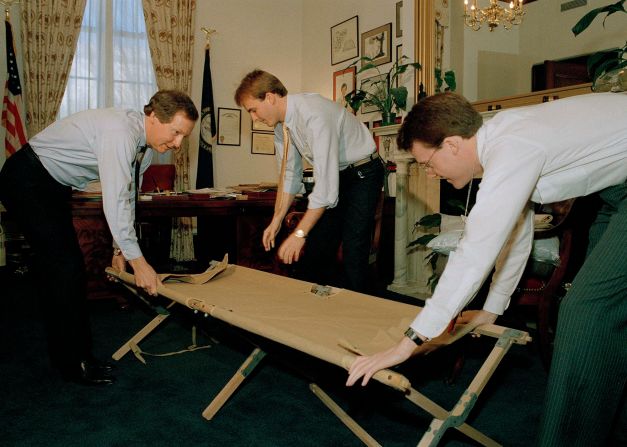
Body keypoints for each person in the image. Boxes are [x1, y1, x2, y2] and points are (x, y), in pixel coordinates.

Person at [345, 92, 627, 446]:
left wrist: (410, 342)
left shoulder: (511, 147)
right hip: (615, 193)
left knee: (586, 313)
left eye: (428, 163)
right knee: (613, 319)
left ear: (451, 145)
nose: (431, 174)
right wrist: (492, 309)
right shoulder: (501, 141)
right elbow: (517, 229)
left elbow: (476, 248)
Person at [0, 90, 198, 385]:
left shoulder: (144, 145)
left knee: (65, 269)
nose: (178, 144)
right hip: (26, 179)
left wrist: (120, 251)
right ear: (154, 117)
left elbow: (129, 197)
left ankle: (72, 355)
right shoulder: (120, 133)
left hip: (52, 185)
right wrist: (139, 262)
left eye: (184, 136)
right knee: (66, 268)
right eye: (176, 133)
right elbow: (115, 200)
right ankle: (73, 362)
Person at [234, 69, 383, 293]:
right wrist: (276, 220)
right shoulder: (281, 127)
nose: (254, 118)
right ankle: (316, 313)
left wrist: (299, 233)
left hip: (364, 173)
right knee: (318, 247)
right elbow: (290, 176)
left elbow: (325, 186)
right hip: (341, 174)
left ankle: (360, 317)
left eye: (253, 110)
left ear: (270, 97)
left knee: (354, 249)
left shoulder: (315, 114)